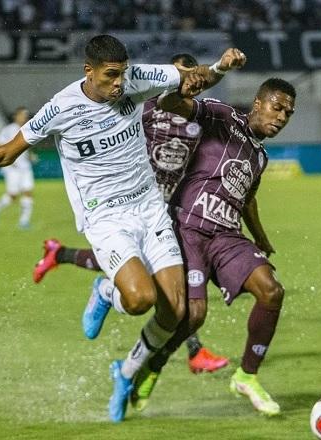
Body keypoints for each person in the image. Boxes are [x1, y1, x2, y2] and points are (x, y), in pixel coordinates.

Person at [0, 34, 246, 423]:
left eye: (122, 74)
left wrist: (218, 69)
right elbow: (8, 152)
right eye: (110, 75)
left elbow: (190, 80)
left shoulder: (136, 79)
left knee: (175, 310)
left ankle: (125, 372)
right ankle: (107, 289)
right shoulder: (61, 108)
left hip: (150, 207)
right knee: (140, 298)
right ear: (88, 71)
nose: (118, 83)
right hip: (105, 217)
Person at [33, 54, 229, 377]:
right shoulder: (146, 106)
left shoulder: (198, 122)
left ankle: (62, 255)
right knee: (142, 284)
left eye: (192, 81)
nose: (187, 85)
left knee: (166, 290)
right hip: (126, 205)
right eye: (182, 77)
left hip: (163, 210)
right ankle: (190, 349)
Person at [128, 77, 296, 417]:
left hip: (226, 235)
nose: (281, 117)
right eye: (277, 107)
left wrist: (260, 237)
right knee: (194, 315)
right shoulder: (222, 116)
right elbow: (173, 104)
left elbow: (247, 199)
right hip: (187, 227)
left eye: (288, 113)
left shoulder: (259, 157)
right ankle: (153, 365)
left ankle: (247, 376)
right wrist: (189, 82)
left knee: (272, 291)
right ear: (259, 102)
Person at [0, 106, 35, 229]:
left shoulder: (28, 129)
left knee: (28, 192)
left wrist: (30, 156)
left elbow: (25, 148)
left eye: (26, 115)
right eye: (22, 115)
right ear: (16, 116)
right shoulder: (9, 130)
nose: (24, 117)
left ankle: (24, 222)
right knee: (12, 196)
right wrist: (5, 160)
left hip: (25, 167)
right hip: (13, 168)